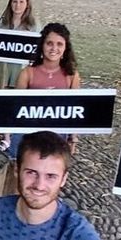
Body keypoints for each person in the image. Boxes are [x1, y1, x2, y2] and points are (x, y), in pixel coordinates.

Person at [14, 22, 82, 154]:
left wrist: (73, 137)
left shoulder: (72, 75)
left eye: (59, 44)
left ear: (65, 48)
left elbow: (75, 109)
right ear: (42, 45)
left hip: (58, 137)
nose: (54, 48)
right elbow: (16, 107)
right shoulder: (27, 73)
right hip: (28, 136)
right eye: (49, 43)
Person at [0, 0, 39, 156]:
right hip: (3, 67)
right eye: (15, 2)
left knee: (15, 103)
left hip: (20, 70)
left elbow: (37, 47)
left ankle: (15, 137)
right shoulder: (3, 22)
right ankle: (5, 137)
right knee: (1, 102)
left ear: (27, 5)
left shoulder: (33, 25)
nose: (18, 5)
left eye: (21, 2)